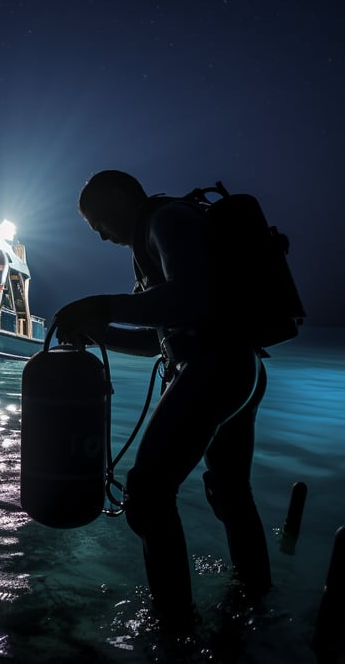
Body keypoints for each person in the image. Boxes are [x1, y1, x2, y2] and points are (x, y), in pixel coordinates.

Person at [52, 169, 271, 631]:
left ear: (118, 199)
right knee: (230, 493)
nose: (101, 235)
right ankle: (257, 605)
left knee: (148, 495)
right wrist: (100, 332)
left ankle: (176, 630)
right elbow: (161, 339)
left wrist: (103, 305)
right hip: (238, 368)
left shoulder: (165, 221)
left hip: (215, 369)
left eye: (99, 223)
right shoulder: (164, 231)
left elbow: (190, 299)